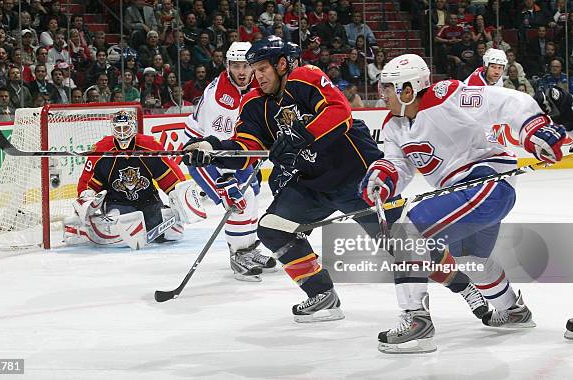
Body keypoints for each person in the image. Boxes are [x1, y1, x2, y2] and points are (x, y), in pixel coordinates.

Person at [182, 36, 404, 322]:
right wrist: (213, 150)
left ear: (282, 64)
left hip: (357, 178)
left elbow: (339, 113)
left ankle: (472, 289)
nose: (255, 76)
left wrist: (303, 136)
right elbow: (248, 149)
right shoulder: (253, 104)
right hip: (312, 185)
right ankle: (321, 294)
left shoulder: (306, 78)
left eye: (262, 69)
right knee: (273, 228)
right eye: (253, 69)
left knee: (400, 243)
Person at [365, 54, 566, 353]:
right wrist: (383, 177)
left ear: (408, 89)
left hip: (486, 182)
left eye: (388, 89)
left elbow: (506, 102)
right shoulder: (394, 126)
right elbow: (398, 163)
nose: (383, 96)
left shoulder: (446, 96)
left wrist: (533, 128)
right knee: (471, 259)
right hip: (464, 194)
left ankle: (416, 322)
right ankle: (512, 310)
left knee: (407, 232)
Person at [185, 41, 276, 281]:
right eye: (236, 66)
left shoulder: (255, 84)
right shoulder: (220, 97)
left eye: (246, 65)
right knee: (238, 198)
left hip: (233, 151)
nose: (242, 71)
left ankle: (249, 248)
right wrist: (225, 181)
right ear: (227, 66)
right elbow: (216, 147)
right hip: (203, 155)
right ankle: (237, 256)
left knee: (254, 193)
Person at [66, 111, 206, 249]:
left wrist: (180, 195)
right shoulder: (102, 149)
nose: (122, 133)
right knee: (120, 230)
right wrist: (86, 195)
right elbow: (88, 180)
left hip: (149, 201)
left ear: (132, 127)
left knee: (172, 233)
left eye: (125, 128)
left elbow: (168, 174)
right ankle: (85, 230)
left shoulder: (149, 146)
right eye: (118, 128)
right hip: (118, 202)